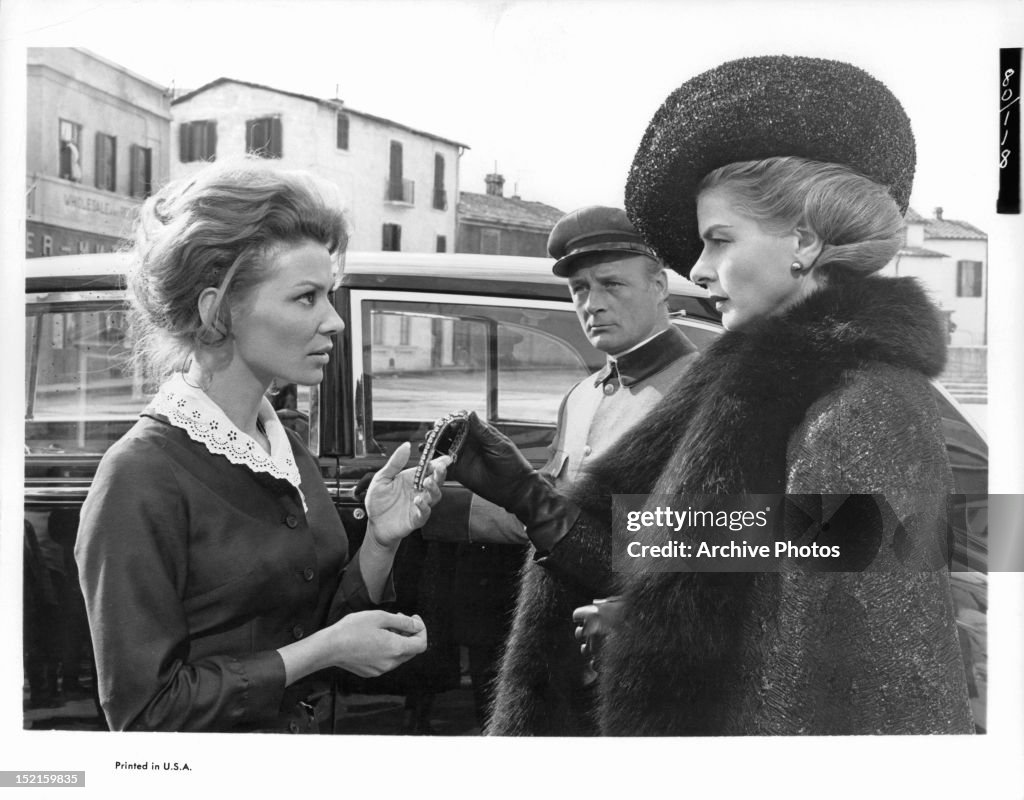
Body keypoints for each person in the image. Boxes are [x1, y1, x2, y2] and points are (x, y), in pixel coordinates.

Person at [450, 55, 973, 735]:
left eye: (718, 240)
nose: (696, 270)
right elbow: (755, 565)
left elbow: (859, 686)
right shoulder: (752, 390)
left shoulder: (862, 408)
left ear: (805, 241)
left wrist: (648, 647)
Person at [75, 159, 448, 733]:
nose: (334, 322)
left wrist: (379, 539)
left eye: (330, 295)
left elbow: (318, 627)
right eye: (305, 298)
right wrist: (321, 653)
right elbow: (145, 715)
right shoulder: (139, 475)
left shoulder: (284, 446)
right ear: (216, 311)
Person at [438, 206, 699, 734]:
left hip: (637, 670)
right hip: (558, 657)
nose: (592, 303)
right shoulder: (582, 396)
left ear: (659, 287)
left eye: (611, 284)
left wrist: (526, 496)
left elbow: (689, 557)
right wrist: (438, 502)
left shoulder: (700, 392)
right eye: (579, 288)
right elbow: (559, 520)